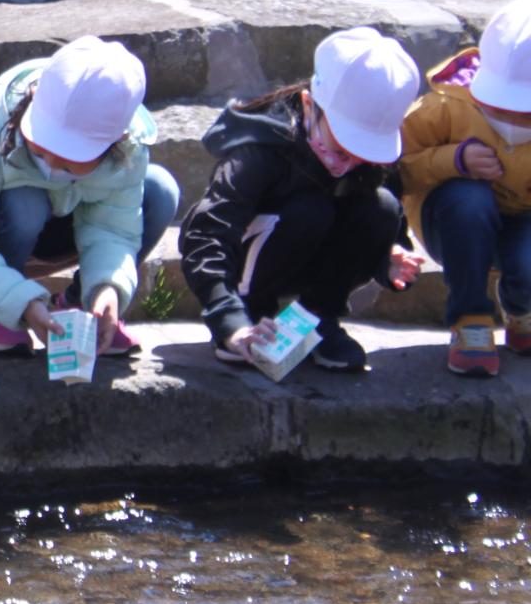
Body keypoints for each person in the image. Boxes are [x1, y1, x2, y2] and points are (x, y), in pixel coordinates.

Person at [0, 36, 178, 358]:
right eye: (42, 146)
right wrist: (20, 303)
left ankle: (84, 308)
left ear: (116, 142)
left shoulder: (129, 154)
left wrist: (107, 287)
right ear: (34, 100)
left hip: (58, 225)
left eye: (70, 157)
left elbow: (113, 231)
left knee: (160, 190)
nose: (51, 164)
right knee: (26, 200)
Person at [181, 27, 423, 371]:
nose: (351, 161)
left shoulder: (373, 159)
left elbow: (389, 217)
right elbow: (207, 233)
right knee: (312, 210)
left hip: (315, 259)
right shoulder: (260, 148)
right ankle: (253, 312)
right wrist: (229, 319)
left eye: (365, 152)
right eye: (343, 145)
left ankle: (316, 318)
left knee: (381, 207)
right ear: (310, 104)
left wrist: (389, 256)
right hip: (254, 261)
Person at [399, 0, 531, 377]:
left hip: (523, 221)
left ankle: (522, 308)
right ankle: (471, 319)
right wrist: (452, 160)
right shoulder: (445, 106)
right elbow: (393, 168)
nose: (512, 116)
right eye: (501, 105)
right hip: (455, 222)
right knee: (468, 199)